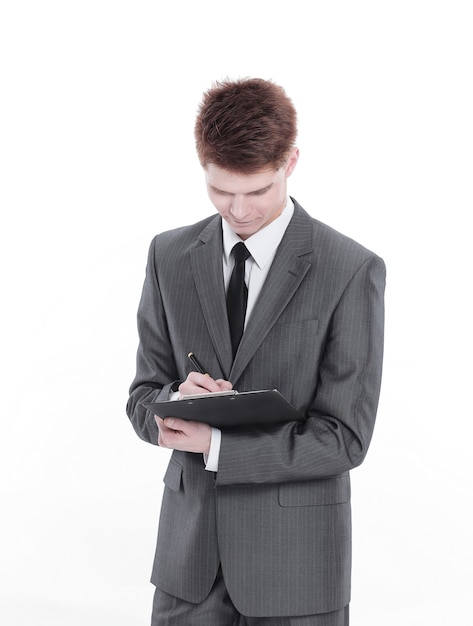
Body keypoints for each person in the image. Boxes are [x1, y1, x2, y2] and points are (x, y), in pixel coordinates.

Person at [126, 77, 386, 626]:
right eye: (220, 191)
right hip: (188, 566)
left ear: (291, 162)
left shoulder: (349, 269)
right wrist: (174, 400)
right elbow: (142, 397)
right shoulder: (168, 255)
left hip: (295, 568)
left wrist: (218, 446)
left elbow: (346, 438)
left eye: (257, 190)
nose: (238, 210)